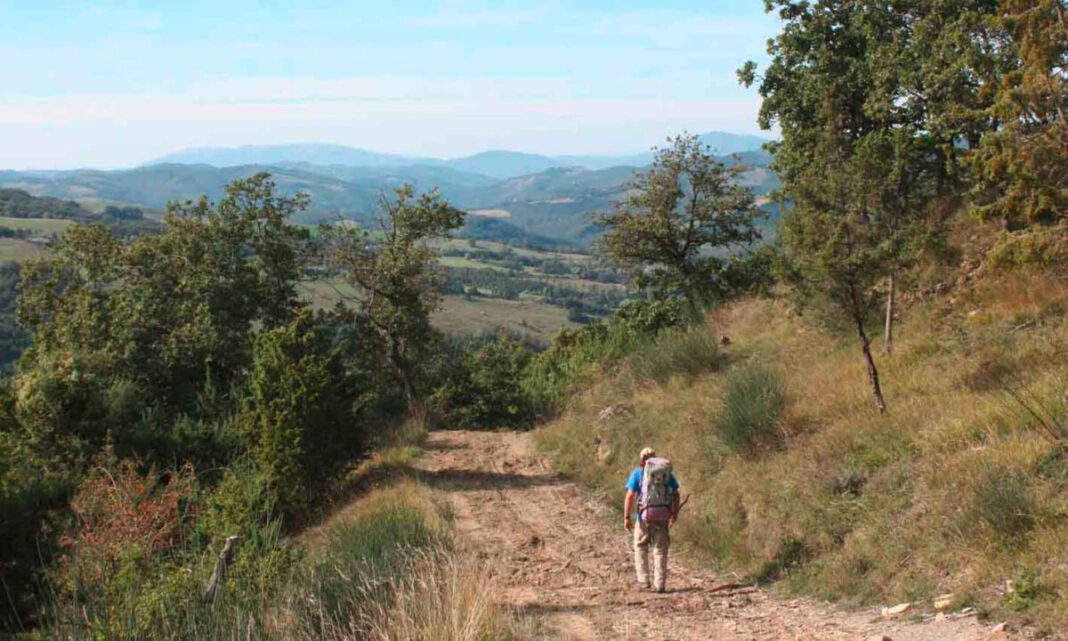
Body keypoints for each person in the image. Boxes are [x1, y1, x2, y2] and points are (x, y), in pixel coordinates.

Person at [623, 447, 680, 593]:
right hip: (663, 515)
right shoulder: (667, 474)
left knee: (641, 545)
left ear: (642, 459)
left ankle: (643, 580)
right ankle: (660, 584)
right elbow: (675, 494)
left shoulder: (638, 474)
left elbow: (630, 496)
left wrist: (627, 517)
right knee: (661, 549)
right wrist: (674, 513)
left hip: (644, 516)